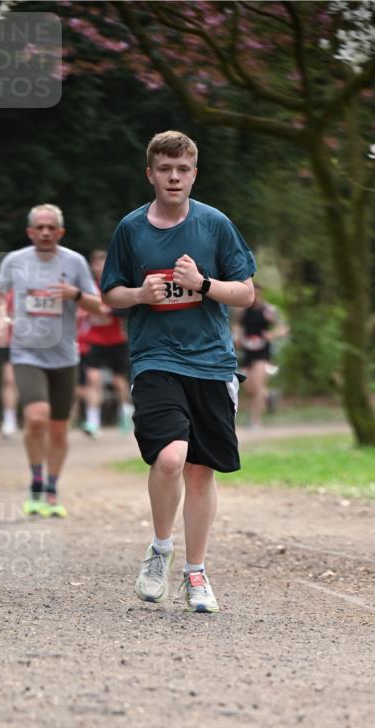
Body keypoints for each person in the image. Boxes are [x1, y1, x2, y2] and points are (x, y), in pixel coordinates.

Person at [101, 130, 255, 613]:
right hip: (155, 358)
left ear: (193, 174)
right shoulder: (131, 229)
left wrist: (203, 283)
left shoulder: (215, 225)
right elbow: (110, 295)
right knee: (169, 458)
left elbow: (246, 293)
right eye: (164, 169)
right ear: (150, 174)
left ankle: (197, 573)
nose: (173, 177)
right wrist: (141, 295)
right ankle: (160, 550)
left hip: (211, 361)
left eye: (182, 169)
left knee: (201, 471)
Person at [0, 204, 101, 517]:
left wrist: (74, 294)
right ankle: (36, 483)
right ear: (30, 232)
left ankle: (52, 488)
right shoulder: (15, 261)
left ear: (60, 232)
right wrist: (1, 319)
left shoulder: (75, 262)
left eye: (51, 227)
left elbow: (98, 307)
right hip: (26, 351)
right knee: (36, 417)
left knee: (58, 429)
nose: (46, 232)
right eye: (40, 227)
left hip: (64, 355)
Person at [80, 249, 134, 437]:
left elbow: (129, 310)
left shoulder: (116, 285)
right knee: (92, 379)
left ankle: (126, 415)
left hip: (117, 341)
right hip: (95, 341)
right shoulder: (88, 287)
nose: (99, 268)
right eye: (96, 264)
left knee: (119, 383)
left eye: (103, 264)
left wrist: (107, 312)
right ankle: (93, 422)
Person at [234, 283, 287, 429]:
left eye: (257, 293)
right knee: (250, 388)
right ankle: (269, 396)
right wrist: (237, 337)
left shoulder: (268, 310)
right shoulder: (242, 311)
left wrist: (273, 334)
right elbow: (237, 326)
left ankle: (255, 420)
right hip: (247, 352)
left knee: (258, 386)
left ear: (260, 294)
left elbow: (283, 328)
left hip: (263, 353)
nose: (254, 296)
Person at [0, 289, 20, 438]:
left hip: (39, 343)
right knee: (9, 380)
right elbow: (1, 315)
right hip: (13, 342)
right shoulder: (8, 293)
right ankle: (9, 419)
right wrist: (0, 329)